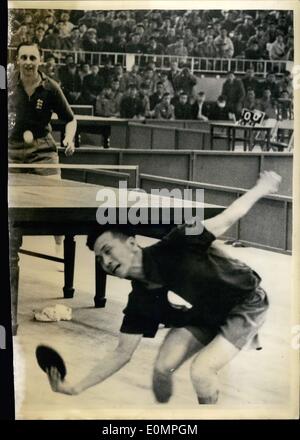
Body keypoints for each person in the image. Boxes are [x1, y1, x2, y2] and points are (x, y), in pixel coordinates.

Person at [46, 171, 281, 403]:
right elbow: (121, 353)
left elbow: (229, 217)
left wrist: (263, 187)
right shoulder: (141, 297)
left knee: (201, 371)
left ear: (131, 243)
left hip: (245, 301)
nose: (105, 262)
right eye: (99, 259)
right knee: (162, 368)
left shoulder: (180, 240)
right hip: (206, 312)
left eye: (107, 251)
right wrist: (76, 388)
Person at [8, 42, 77, 253]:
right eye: (24, 57)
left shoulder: (51, 87)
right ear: (17, 60)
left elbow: (70, 119)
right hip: (11, 148)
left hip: (43, 150)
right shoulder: (7, 84)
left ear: (40, 60)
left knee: (56, 201)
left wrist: (69, 139)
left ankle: (58, 245)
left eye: (32, 58)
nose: (28, 62)